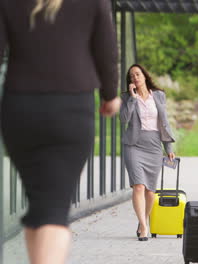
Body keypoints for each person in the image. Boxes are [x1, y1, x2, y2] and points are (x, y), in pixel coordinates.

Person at [0, 0, 121, 263]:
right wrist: (110, 96)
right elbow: (107, 51)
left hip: (20, 108)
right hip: (71, 108)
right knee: (53, 208)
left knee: (41, 206)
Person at [120, 64, 176, 241]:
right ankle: (144, 227)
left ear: (144, 76)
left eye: (138, 74)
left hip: (153, 146)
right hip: (133, 145)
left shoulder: (159, 95)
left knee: (150, 191)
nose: (135, 77)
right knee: (139, 186)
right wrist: (132, 98)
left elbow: (164, 123)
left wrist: (168, 148)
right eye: (132, 76)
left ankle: (142, 220)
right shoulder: (127, 97)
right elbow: (124, 119)